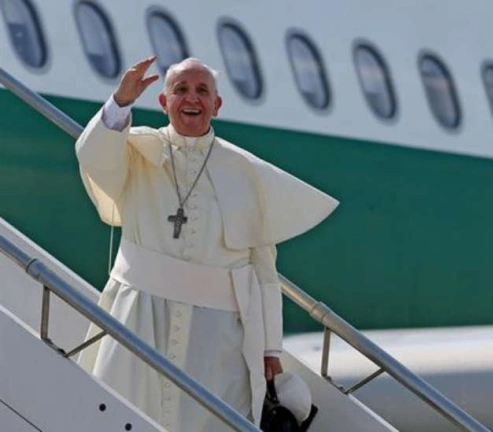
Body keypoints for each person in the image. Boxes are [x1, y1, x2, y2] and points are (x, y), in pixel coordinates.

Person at [75, 56, 338, 431]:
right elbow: (94, 157)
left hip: (214, 335)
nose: (191, 98)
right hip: (139, 316)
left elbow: (264, 270)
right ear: (164, 102)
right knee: (121, 413)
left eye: (202, 90)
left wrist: (270, 349)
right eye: (180, 89)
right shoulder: (137, 150)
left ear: (216, 105)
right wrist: (120, 102)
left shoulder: (245, 172)